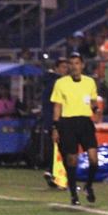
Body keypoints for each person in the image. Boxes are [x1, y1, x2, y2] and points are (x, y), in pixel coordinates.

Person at [50, 53, 100, 206]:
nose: (74, 66)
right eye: (71, 64)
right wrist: (55, 127)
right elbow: (57, 106)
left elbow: (93, 101)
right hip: (68, 123)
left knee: (94, 159)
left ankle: (88, 186)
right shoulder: (61, 83)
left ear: (82, 65)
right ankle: (73, 194)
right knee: (72, 159)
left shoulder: (89, 82)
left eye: (77, 63)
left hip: (85, 122)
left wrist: (96, 110)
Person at [42, 57, 70, 188]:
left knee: (56, 147)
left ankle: (51, 172)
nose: (66, 70)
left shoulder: (51, 81)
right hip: (57, 120)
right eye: (63, 67)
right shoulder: (58, 83)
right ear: (57, 68)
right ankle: (56, 175)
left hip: (52, 119)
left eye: (67, 67)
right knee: (61, 148)